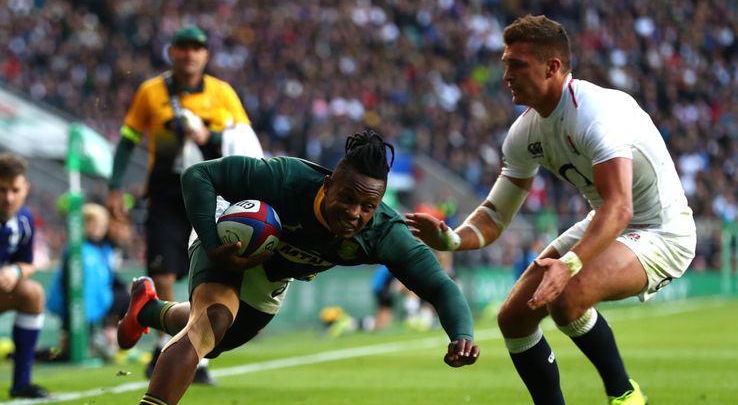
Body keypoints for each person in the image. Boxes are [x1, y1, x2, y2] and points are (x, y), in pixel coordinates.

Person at [406, 15, 696, 405]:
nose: (506, 75)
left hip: (662, 230)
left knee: (569, 292)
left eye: (517, 65)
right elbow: (494, 216)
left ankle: (625, 395)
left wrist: (570, 263)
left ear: (553, 67)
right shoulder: (524, 133)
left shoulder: (597, 113)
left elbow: (620, 206)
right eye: (506, 63)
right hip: (605, 221)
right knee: (514, 318)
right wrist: (452, 238)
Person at [117, 130, 480, 405]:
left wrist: (462, 334)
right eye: (347, 199)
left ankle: (147, 309)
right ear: (327, 185)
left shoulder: (384, 233)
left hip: (273, 275)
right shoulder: (286, 179)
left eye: (367, 206)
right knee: (211, 323)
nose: (355, 214)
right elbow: (198, 175)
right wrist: (214, 244)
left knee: (214, 341)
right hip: (230, 235)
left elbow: (440, 287)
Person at [107, 24, 254, 384]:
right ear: (171, 52)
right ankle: (167, 346)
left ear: (205, 55)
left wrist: (210, 135)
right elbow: (127, 141)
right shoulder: (150, 92)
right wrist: (114, 188)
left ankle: (197, 355)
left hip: (211, 192)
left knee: (203, 272)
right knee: (163, 271)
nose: (189, 54)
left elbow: (245, 140)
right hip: (166, 193)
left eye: (196, 48)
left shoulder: (223, 93)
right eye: (183, 47)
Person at [47, 203, 130, 361]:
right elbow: (67, 281)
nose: (100, 229)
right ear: (83, 225)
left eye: (103, 226)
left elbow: (109, 276)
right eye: (96, 225)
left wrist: (124, 286)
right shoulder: (75, 249)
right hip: (75, 304)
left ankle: (111, 337)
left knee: (128, 299)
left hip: (99, 301)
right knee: (70, 351)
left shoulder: (102, 249)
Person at [0, 153, 49, 398]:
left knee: (32, 293)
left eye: (14, 190)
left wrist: (16, 270)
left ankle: (21, 383)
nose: (8, 198)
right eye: (1, 190)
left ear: (25, 189)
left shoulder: (25, 219)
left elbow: (29, 264)